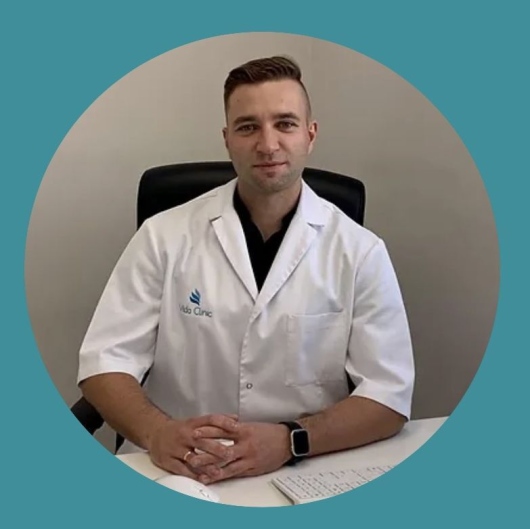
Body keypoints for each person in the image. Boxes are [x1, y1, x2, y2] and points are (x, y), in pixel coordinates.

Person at [77, 55, 415, 486]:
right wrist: (156, 431)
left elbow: (388, 397)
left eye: (285, 124)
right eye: (248, 127)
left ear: (310, 135)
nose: (268, 144)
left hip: (302, 466)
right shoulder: (162, 235)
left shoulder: (360, 252)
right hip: (177, 467)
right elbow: (104, 362)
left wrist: (292, 440)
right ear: (227, 139)